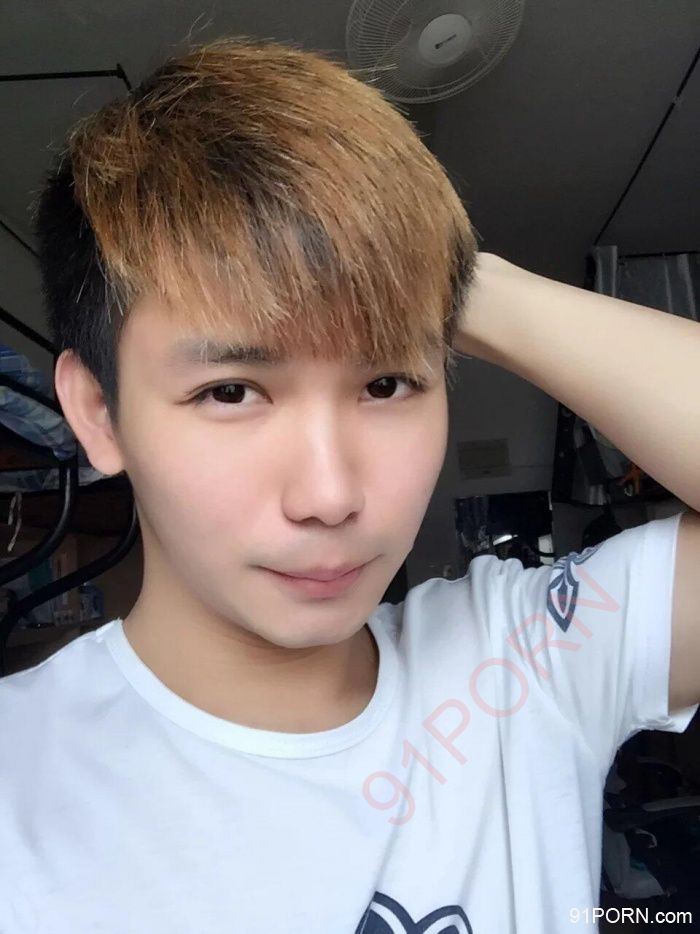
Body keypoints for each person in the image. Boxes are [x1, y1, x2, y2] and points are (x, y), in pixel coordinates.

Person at [1, 36, 699, 934]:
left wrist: (450, 276)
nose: (330, 496)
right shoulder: (22, 783)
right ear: (99, 413)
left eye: (386, 383)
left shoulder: (524, 664)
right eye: (231, 392)